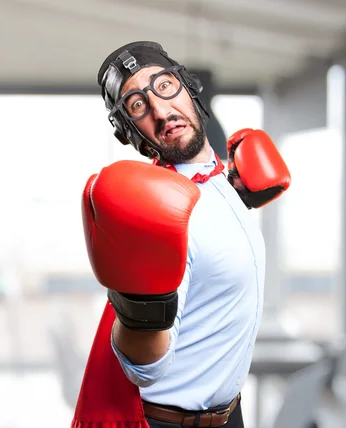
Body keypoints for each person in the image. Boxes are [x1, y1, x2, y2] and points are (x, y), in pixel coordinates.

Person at [71, 41, 291, 428]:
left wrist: (241, 191)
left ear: (188, 87)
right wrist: (138, 303)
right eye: (137, 105)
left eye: (165, 85)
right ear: (129, 133)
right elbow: (145, 370)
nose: (160, 109)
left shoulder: (225, 183)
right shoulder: (159, 215)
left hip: (229, 414)